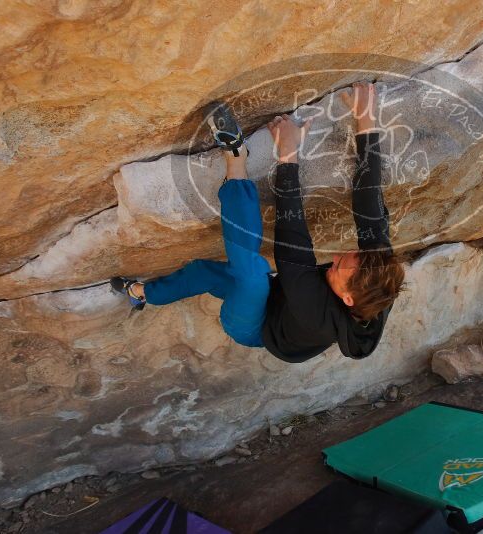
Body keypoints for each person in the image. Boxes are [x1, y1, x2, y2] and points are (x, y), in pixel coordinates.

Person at [111, 82, 404, 362]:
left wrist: (288, 154)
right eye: (349, 256)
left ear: (347, 299)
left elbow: (292, 232)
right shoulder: (376, 272)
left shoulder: (314, 311)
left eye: (339, 267)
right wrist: (366, 122)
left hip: (256, 327)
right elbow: (369, 201)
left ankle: (236, 159)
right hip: (279, 295)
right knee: (205, 272)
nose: (337, 257)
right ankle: (141, 293)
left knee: (252, 273)